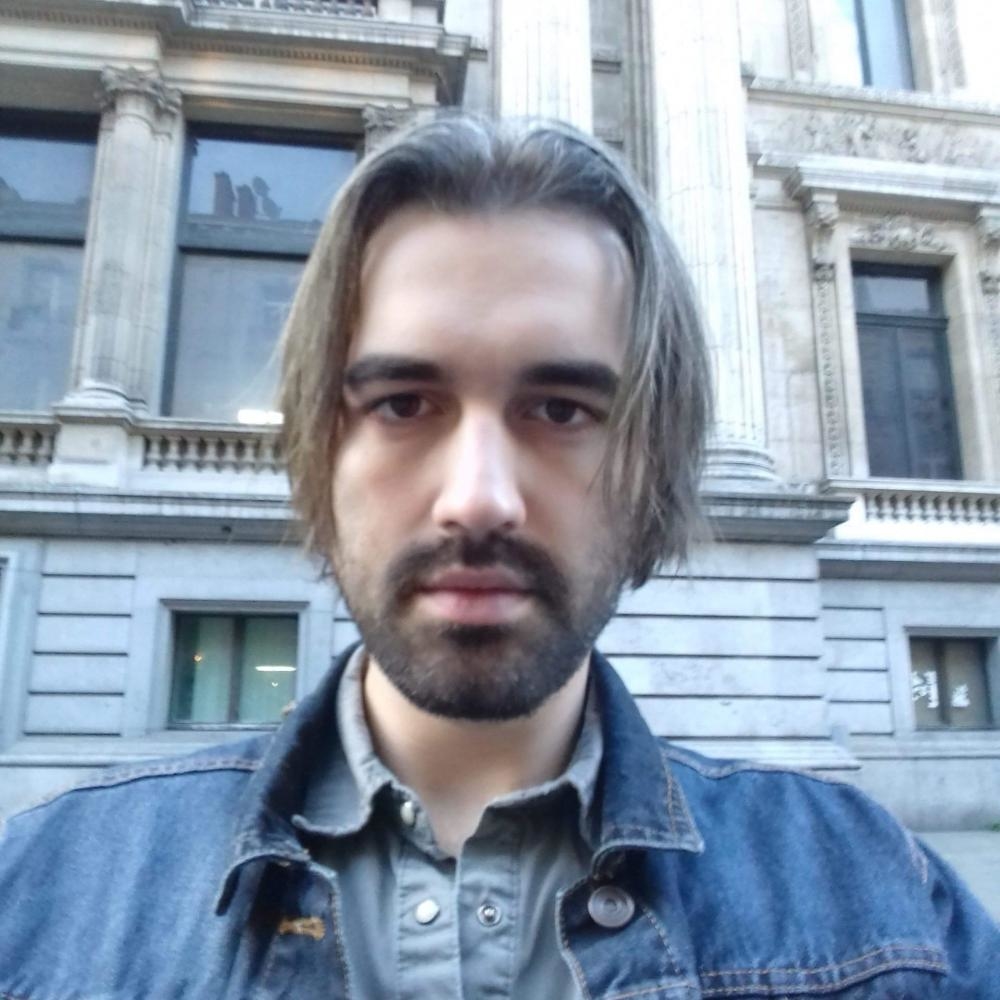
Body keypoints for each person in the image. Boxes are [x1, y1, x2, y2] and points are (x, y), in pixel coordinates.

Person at [1, 114, 997, 999]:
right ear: (319, 448)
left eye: (559, 410)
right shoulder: (41, 898)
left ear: (653, 459)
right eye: (403, 404)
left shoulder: (887, 914)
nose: (478, 498)